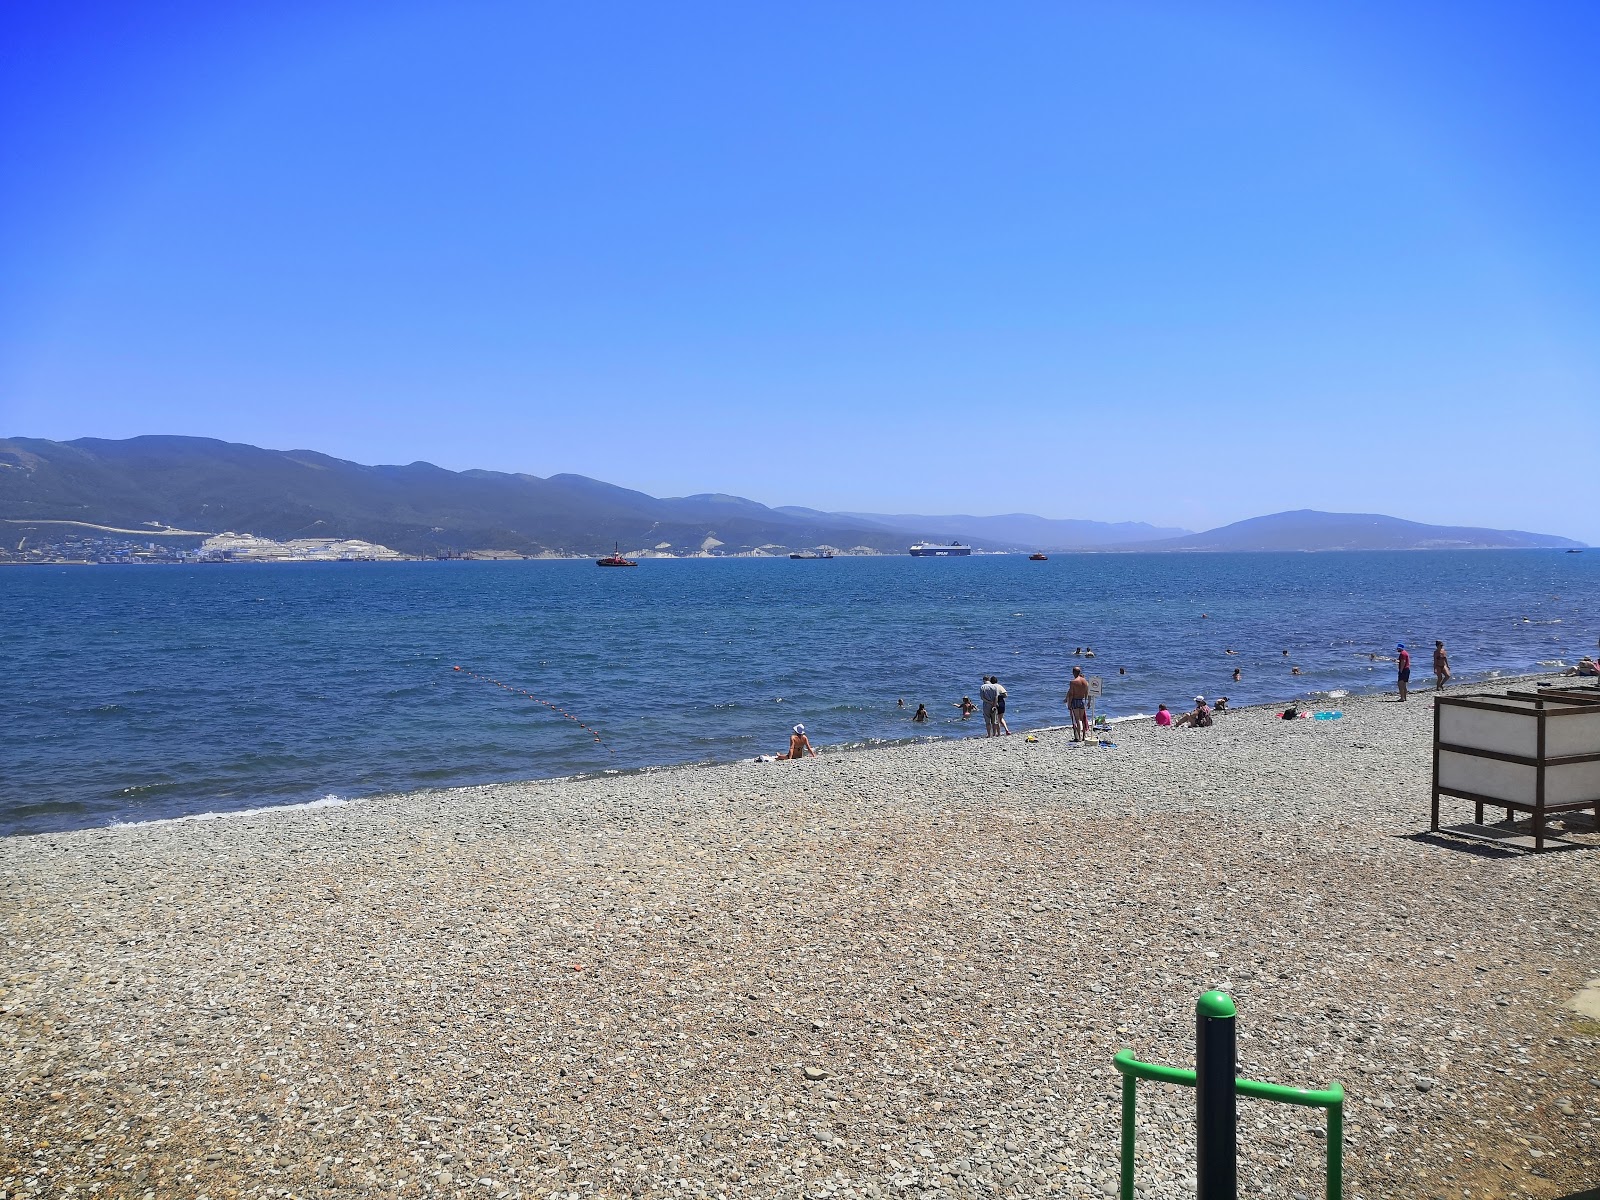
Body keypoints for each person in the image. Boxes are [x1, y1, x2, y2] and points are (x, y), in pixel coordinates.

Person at [1064, 666, 1091, 741]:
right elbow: (1088, 693)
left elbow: (1071, 694)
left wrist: (1069, 703)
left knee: (1077, 719)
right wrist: (1089, 702)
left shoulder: (1073, 682)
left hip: (1075, 700)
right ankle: (1084, 737)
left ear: (1073, 673)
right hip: (1082, 700)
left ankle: (1078, 737)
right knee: (1083, 719)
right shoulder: (1085, 681)